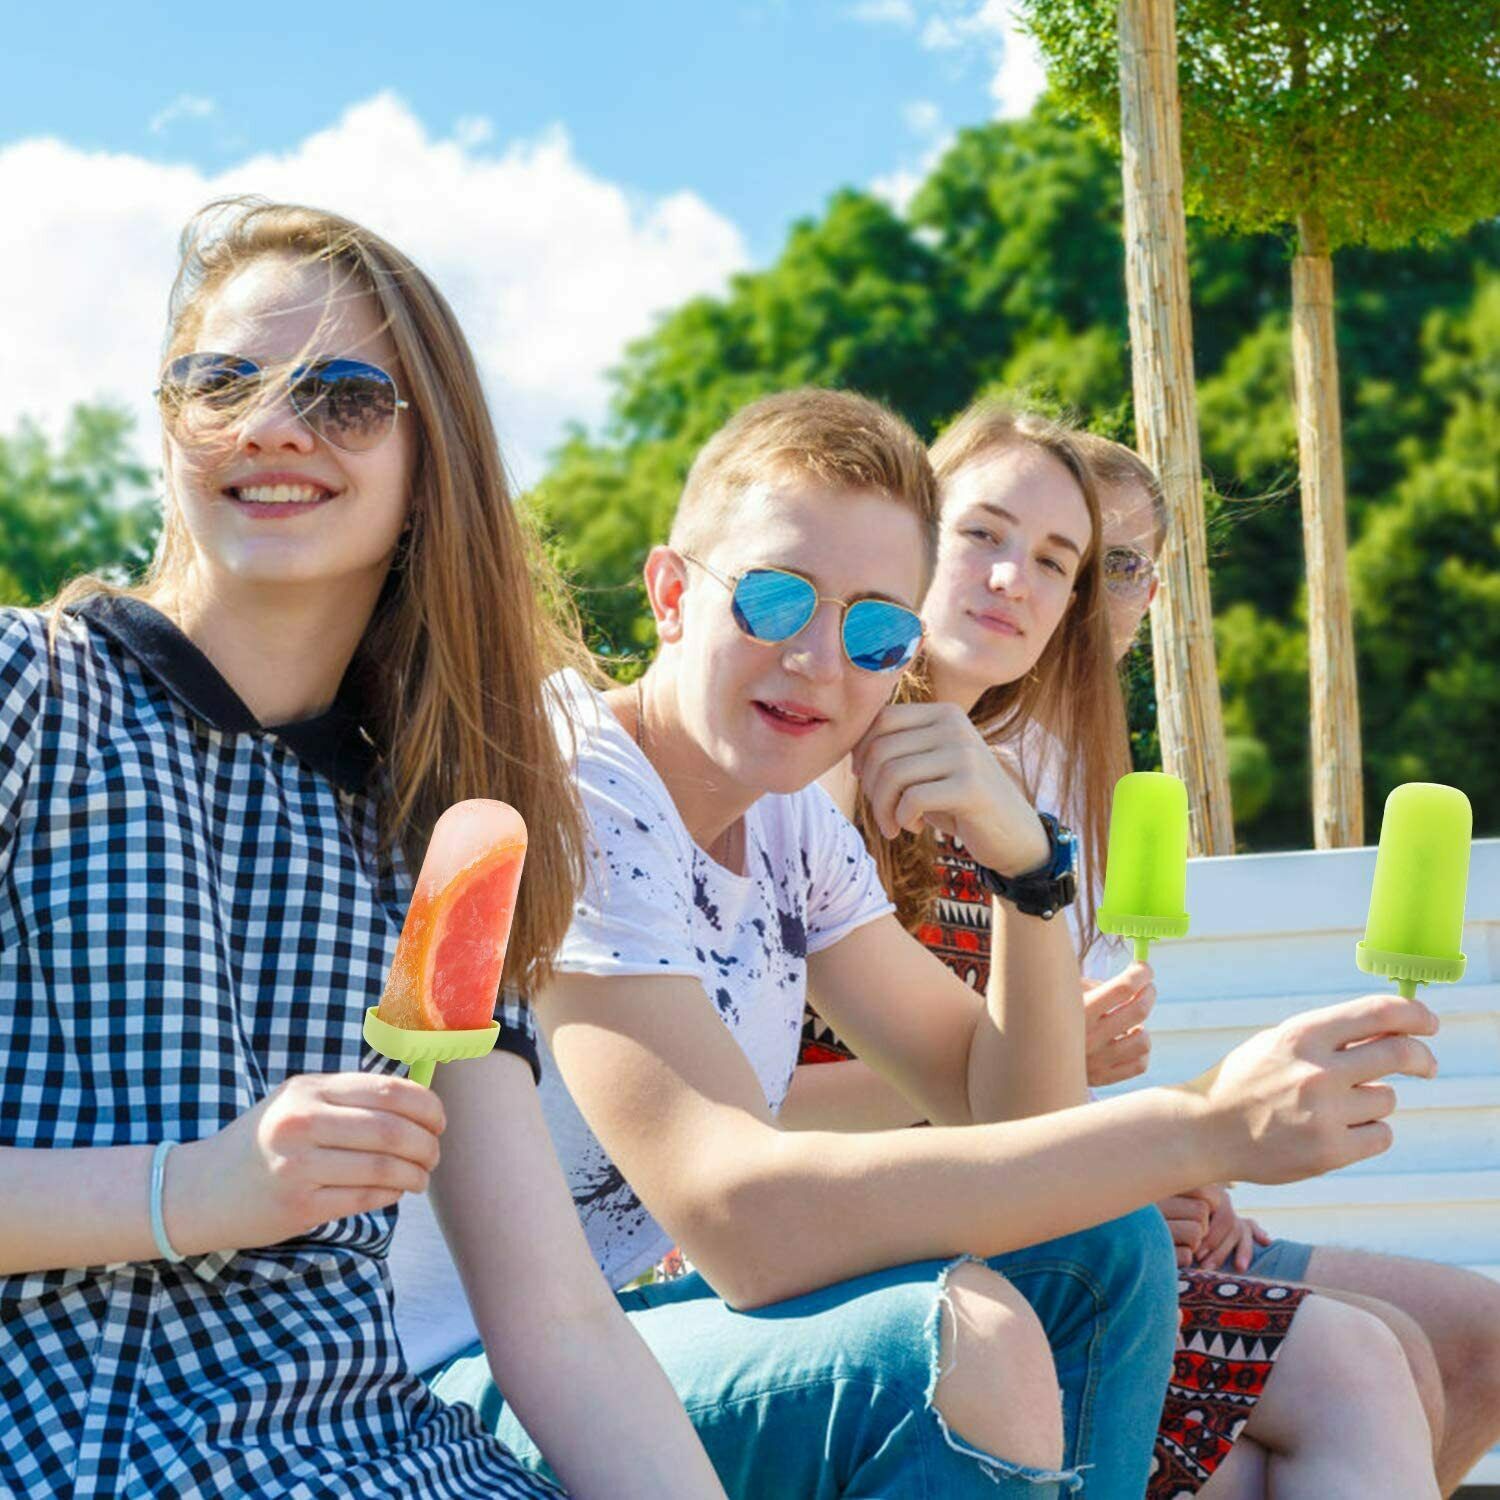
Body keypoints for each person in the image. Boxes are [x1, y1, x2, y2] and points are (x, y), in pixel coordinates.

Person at [408, 387, 1441, 1500]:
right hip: (452, 1382)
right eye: (775, 598)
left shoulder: (787, 814)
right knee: (962, 1346)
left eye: (871, 628)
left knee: (1108, 1252)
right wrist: (1207, 1130)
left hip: (612, 1337)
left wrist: (1029, 873)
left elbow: (1011, 1118)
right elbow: (736, 1219)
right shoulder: (582, 786)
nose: (819, 659)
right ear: (670, 594)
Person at [0, 197, 726, 1500]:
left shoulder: (431, 843)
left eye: (342, 396)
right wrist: (192, 1189)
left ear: (426, 460)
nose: (272, 424)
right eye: (219, 384)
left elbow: (555, 1326)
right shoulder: (28, 698)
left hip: (381, 1464)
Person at [790, 401, 1444, 1498]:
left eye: (1058, 563)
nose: (1015, 581)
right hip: (849, 1242)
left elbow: (1021, 1115)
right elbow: (751, 1102)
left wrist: (1143, 1154)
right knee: (1359, 1368)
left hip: (992, 1220)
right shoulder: (822, 759)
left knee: (1373, 1368)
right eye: (983, 535)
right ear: (906, 536)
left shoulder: (988, 794)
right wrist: (1164, 1144)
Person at [1070, 427, 1500, 1499]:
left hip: (1129, 1191)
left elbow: (1068, 1083)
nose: (1089, 590)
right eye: (1065, 554)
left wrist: (1188, 1159)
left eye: (1127, 565)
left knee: (1479, 1338)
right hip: (1052, 1228)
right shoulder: (938, 778)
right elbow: (966, 1094)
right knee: (1372, 1355)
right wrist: (1145, 1170)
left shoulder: (1096, 772)